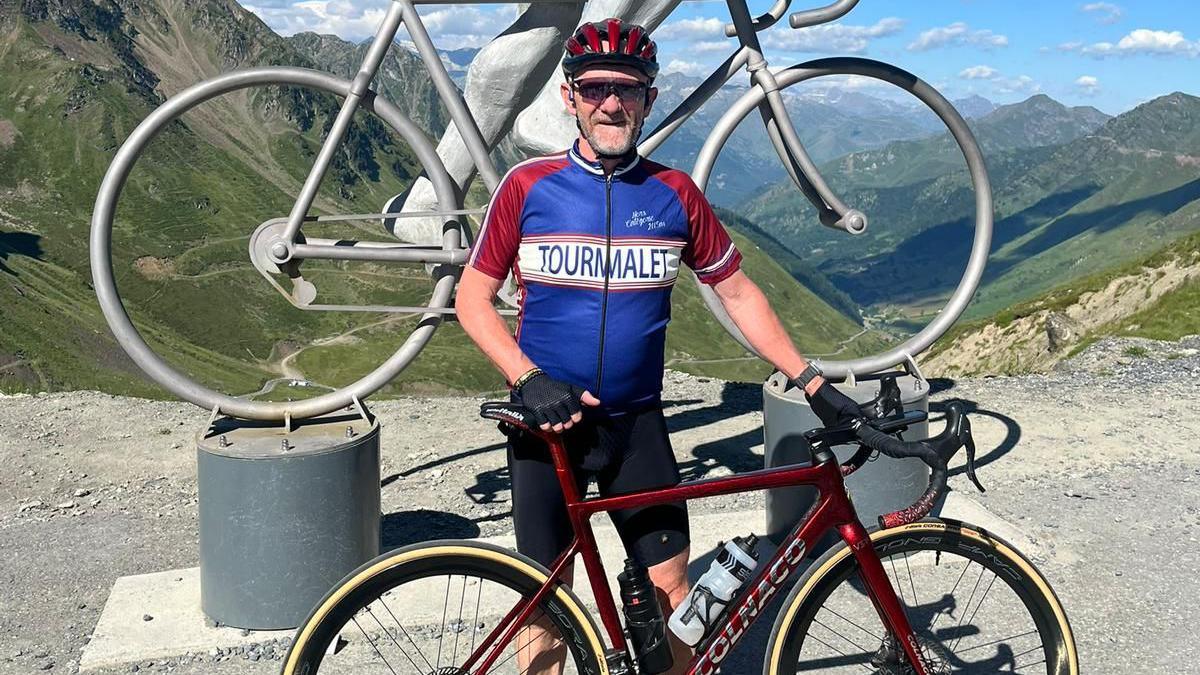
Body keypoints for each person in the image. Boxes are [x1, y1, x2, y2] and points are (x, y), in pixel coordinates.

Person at [455, 19, 862, 674]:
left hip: (636, 424)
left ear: (648, 98)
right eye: (595, 89)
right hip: (547, 426)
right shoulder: (527, 187)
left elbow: (738, 294)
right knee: (545, 607)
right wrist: (525, 376)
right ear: (570, 97)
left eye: (628, 89)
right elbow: (472, 300)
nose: (610, 103)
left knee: (676, 594)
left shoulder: (676, 194)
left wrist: (813, 382)